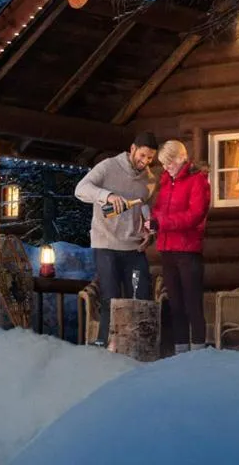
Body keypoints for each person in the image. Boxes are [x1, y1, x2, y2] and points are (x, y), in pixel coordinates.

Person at [75, 132, 159, 346]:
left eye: (150, 158)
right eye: (142, 155)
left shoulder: (149, 180)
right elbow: (81, 189)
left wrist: (151, 232)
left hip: (133, 249)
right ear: (132, 149)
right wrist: (108, 196)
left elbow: (148, 209)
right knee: (110, 298)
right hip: (106, 245)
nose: (145, 161)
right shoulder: (108, 167)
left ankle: (137, 346)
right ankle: (105, 344)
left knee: (139, 296)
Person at [146, 140, 210, 354]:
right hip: (167, 250)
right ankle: (181, 350)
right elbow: (159, 210)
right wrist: (152, 222)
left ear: (181, 158)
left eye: (169, 163)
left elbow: (195, 215)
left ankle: (199, 348)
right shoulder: (166, 182)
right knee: (175, 303)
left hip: (188, 251)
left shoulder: (197, 181)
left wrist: (162, 222)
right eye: (164, 164)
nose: (166, 168)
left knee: (192, 302)